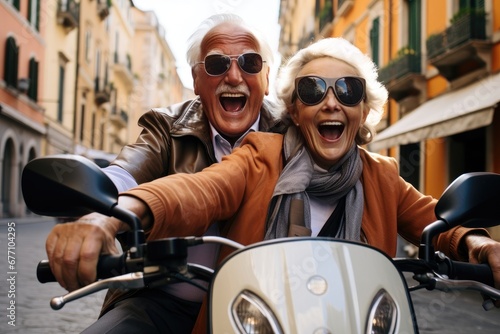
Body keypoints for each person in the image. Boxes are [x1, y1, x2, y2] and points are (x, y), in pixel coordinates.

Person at [46, 37, 500, 333]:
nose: (330, 102)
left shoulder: (381, 173)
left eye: (347, 91)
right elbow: (196, 189)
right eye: (311, 91)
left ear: (364, 111)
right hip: (254, 320)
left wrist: (480, 247)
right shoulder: (260, 154)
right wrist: (114, 217)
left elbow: (436, 219)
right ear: (294, 111)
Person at [55, 13, 287, 333]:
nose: (234, 76)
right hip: (161, 301)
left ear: (266, 77)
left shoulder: (292, 130)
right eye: (217, 64)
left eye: (249, 63)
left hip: (266, 306)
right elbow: (125, 172)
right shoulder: (165, 126)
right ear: (195, 79)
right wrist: (97, 216)